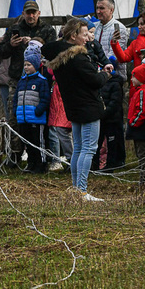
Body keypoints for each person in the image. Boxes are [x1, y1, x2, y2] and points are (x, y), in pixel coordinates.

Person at [44, 18, 114, 203]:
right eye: (84, 35)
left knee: (78, 148)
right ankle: (81, 190)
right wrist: (106, 73)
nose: (88, 38)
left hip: (73, 106)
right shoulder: (79, 58)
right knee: (88, 149)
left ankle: (76, 188)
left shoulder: (58, 54)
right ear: (73, 35)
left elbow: (48, 47)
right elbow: (95, 81)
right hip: (88, 106)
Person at [0, 1, 56, 166]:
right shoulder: (15, 28)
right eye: (28, 12)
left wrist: (35, 43)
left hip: (41, 80)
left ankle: (41, 156)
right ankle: (14, 155)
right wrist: (10, 45)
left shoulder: (47, 29)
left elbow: (54, 51)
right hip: (18, 80)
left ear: (38, 13)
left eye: (33, 12)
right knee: (14, 118)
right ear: (23, 13)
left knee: (40, 119)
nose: (31, 16)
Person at [14, 47, 51, 173]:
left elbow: (45, 99)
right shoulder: (21, 81)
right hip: (23, 118)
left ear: (35, 65)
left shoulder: (42, 81)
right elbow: (16, 98)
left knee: (38, 143)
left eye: (29, 65)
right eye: (25, 65)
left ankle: (41, 164)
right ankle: (31, 163)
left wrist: (38, 111)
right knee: (27, 143)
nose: (26, 67)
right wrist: (16, 110)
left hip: (36, 118)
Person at [94, 55, 126, 172]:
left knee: (112, 142)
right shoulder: (100, 82)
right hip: (101, 118)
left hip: (112, 119)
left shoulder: (115, 83)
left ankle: (112, 164)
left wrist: (105, 113)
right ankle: (96, 163)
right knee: (98, 142)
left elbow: (115, 102)